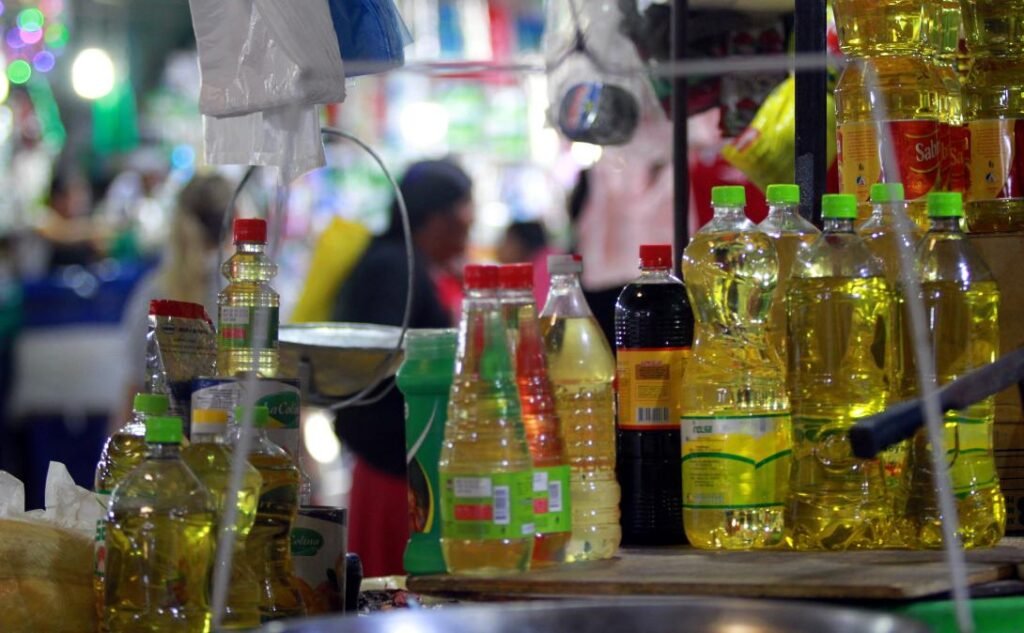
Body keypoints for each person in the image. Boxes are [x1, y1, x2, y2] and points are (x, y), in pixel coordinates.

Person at [333, 158, 473, 577]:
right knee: (394, 589)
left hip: (400, 462)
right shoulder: (395, 268)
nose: (469, 232)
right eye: (466, 219)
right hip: (395, 468)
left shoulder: (400, 262)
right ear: (437, 219)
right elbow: (386, 362)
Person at [121, 172, 233, 411]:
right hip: (236, 444)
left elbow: (132, 393)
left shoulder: (153, 290)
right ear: (236, 222)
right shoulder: (249, 297)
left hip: (164, 442)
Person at [497, 220, 556, 306]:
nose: (501, 247)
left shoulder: (543, 267)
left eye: (507, 240)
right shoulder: (542, 260)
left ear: (520, 243)